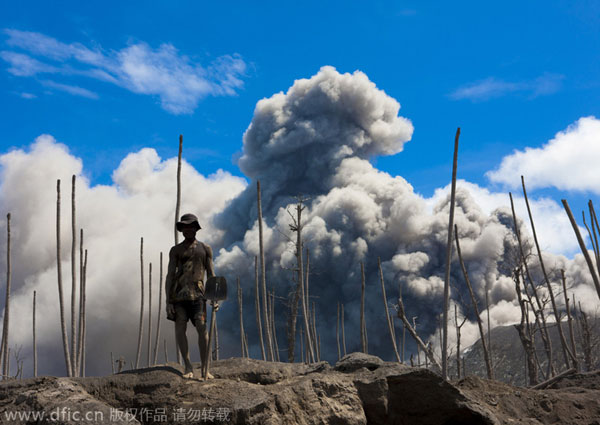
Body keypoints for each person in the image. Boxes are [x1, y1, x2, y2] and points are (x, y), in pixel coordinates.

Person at [165, 213, 216, 379]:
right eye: (185, 227)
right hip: (179, 297)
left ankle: (205, 369)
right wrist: (168, 301)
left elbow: (211, 273)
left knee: (202, 329)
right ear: (182, 230)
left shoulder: (205, 248)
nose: (188, 229)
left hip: (199, 296)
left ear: (196, 228)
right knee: (180, 328)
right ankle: (187, 366)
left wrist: (215, 296)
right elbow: (170, 275)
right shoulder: (176, 250)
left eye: (191, 226)